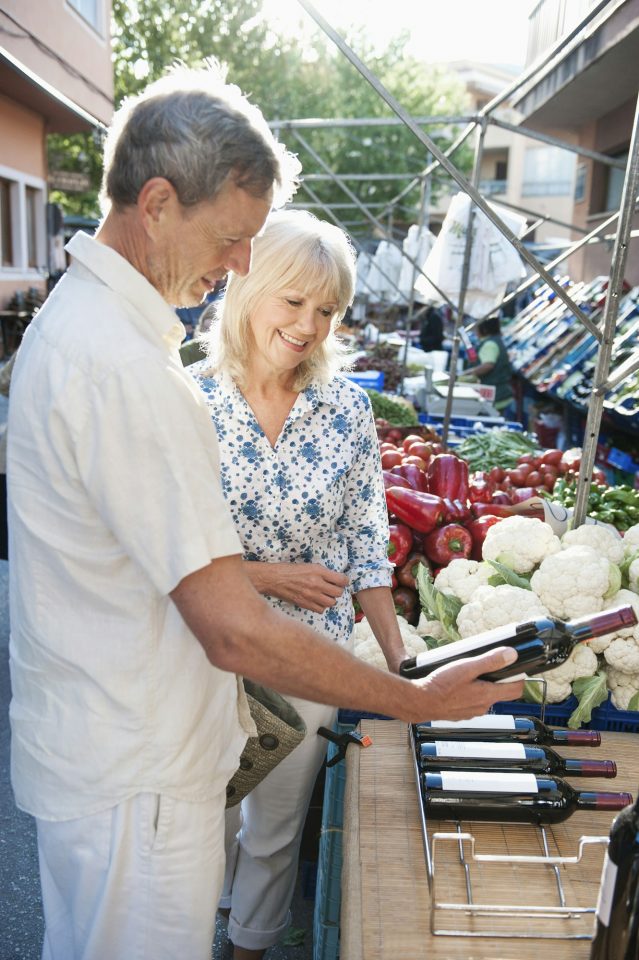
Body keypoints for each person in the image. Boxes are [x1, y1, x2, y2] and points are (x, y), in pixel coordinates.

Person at [6, 64, 523, 960]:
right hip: (143, 771)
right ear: (158, 203)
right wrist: (413, 699)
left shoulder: (88, 330)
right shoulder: (127, 370)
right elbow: (234, 633)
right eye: (234, 236)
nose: (241, 261)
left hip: (110, 753)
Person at [191, 209, 410, 958]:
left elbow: (365, 545)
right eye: (294, 301)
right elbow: (153, 547)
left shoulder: (346, 408)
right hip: (203, 650)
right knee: (201, 826)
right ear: (247, 284)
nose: (309, 324)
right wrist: (261, 574)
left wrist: (401, 667)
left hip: (311, 654)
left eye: (327, 310)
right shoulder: (187, 400)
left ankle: (248, 949)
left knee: (278, 827)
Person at [465, 315, 517, 419]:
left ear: (484, 329)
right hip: (501, 393)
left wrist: (469, 373)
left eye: (477, 326)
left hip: (497, 396)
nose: (475, 330)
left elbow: (488, 365)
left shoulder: (490, 344)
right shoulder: (495, 340)